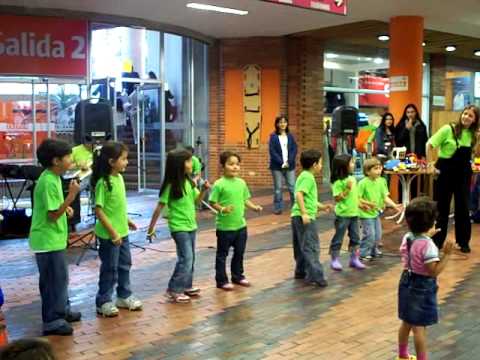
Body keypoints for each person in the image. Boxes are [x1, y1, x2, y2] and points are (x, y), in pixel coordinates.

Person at [29, 139, 82, 336]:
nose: (71, 160)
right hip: (47, 241)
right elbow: (52, 215)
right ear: (56, 160)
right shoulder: (49, 180)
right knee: (53, 281)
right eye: (68, 157)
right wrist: (71, 197)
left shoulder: (53, 177)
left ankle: (62, 310)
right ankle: (52, 320)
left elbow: (52, 208)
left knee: (60, 279)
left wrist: (64, 206)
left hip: (54, 239)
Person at [147, 149, 210, 303]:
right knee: (186, 258)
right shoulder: (171, 185)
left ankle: (187, 285)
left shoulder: (188, 182)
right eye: (188, 161)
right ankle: (174, 289)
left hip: (191, 225)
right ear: (179, 164)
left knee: (191, 257)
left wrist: (203, 190)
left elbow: (196, 201)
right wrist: (151, 228)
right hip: (178, 227)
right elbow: (159, 207)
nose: (191, 163)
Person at [397, 197, 454, 360]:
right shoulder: (428, 245)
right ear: (430, 224)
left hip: (406, 280)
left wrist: (428, 233)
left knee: (406, 322)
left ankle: (402, 355)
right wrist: (447, 255)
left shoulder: (408, 237)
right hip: (421, 286)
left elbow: (417, 242)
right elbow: (433, 271)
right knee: (419, 328)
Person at [91, 142, 142, 317]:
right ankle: (103, 300)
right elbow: (99, 210)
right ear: (112, 161)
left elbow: (117, 207)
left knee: (124, 265)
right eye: (124, 159)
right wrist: (113, 232)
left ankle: (124, 295)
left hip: (123, 233)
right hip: (109, 236)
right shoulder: (103, 183)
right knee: (109, 268)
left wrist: (127, 221)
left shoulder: (119, 179)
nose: (126, 162)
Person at [427, 105, 480, 253]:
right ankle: (437, 241)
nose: (466, 117)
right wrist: (430, 165)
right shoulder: (447, 129)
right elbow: (429, 144)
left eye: (470, 116)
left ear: (475, 120)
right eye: (465, 114)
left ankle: (463, 242)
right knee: (441, 208)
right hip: (444, 172)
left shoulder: (473, 134)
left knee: (463, 208)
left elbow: (474, 154)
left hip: (463, 173)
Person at [208, 151, 263, 290]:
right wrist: (222, 209)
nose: (235, 167)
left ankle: (238, 276)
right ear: (223, 166)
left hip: (241, 226)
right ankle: (221, 280)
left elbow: (245, 200)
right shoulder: (219, 184)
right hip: (225, 228)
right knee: (222, 255)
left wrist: (254, 207)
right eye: (231, 164)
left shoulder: (241, 183)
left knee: (239, 253)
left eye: (237, 164)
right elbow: (212, 202)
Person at [291, 149, 332, 287]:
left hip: (298, 215)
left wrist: (321, 207)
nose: (321, 166)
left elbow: (309, 199)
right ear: (315, 164)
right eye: (321, 163)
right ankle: (316, 276)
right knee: (311, 246)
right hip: (304, 216)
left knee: (301, 245)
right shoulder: (308, 177)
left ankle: (301, 271)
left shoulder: (304, 176)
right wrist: (304, 213)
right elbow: (299, 195)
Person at [357, 157, 402, 260]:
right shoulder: (362, 183)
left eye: (379, 168)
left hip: (376, 213)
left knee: (378, 235)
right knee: (370, 234)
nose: (379, 171)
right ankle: (363, 252)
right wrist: (367, 204)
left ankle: (373, 250)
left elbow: (385, 197)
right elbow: (357, 198)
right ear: (368, 172)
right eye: (375, 169)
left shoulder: (382, 181)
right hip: (365, 214)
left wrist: (394, 205)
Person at [328, 154, 365, 271]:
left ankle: (354, 259)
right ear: (343, 166)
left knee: (355, 237)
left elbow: (355, 196)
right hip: (343, 215)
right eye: (351, 163)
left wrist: (361, 204)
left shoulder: (352, 179)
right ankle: (335, 259)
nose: (354, 165)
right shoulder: (338, 182)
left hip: (354, 214)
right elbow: (337, 198)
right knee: (339, 237)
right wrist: (347, 189)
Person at [269, 115, 298, 215]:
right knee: (278, 188)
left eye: (284, 122)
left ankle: (295, 206)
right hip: (277, 166)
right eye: (280, 122)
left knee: (292, 187)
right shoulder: (273, 137)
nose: (283, 124)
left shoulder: (290, 136)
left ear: (287, 124)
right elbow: (272, 151)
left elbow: (294, 149)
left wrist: (289, 161)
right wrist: (282, 162)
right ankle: (278, 208)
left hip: (290, 166)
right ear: (277, 124)